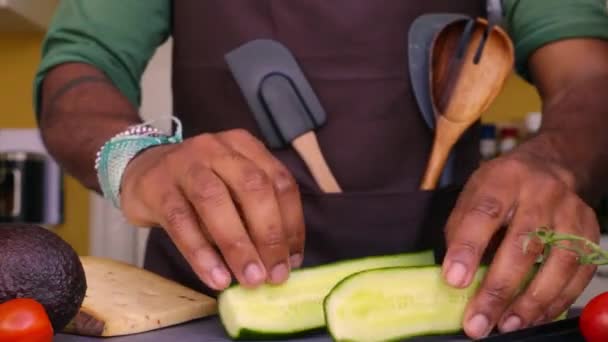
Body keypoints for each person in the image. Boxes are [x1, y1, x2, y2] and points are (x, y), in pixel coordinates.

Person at [33, 0, 608, 339]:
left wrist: (553, 161)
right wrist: (137, 160)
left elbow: (588, 77)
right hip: (207, 311)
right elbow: (80, 65)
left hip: (450, 308)